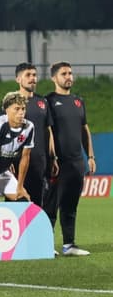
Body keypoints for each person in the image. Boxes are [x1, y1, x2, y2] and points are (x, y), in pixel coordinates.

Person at [44, 62, 94, 256]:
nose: (68, 76)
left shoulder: (78, 101)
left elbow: (85, 129)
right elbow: (47, 131)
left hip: (76, 162)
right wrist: (53, 157)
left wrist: (90, 155)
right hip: (58, 163)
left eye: (70, 73)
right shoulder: (48, 101)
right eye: (64, 73)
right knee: (51, 206)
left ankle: (69, 245)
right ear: (54, 78)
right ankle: (46, 244)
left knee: (70, 205)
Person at [0, 63, 54, 208]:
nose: (32, 78)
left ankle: (33, 231)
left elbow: (48, 131)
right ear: (18, 79)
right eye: (28, 75)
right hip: (15, 162)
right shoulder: (9, 102)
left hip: (38, 162)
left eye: (34, 75)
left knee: (36, 206)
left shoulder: (42, 102)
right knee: (14, 205)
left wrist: (53, 157)